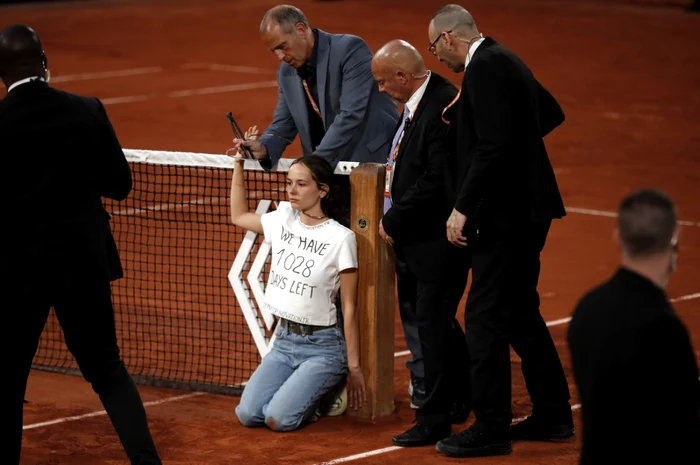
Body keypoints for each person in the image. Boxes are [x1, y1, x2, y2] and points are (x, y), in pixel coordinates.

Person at [0, 25, 162, 465]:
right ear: (44, 62)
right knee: (107, 370)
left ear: (2, 73)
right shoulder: (86, 110)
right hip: (82, 265)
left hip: (18, 274)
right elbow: (120, 185)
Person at [427, 5, 575, 457]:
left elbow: (492, 145)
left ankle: (491, 427)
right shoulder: (507, 57)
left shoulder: (484, 68)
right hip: (529, 208)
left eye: (435, 48)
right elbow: (549, 112)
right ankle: (552, 414)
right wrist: (519, 152)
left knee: (485, 316)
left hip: (506, 215)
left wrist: (463, 207)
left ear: (450, 38)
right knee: (517, 311)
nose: (437, 58)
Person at [369, 39, 471, 446]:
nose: (379, 90)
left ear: (401, 76)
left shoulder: (441, 106)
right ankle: (462, 397)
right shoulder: (420, 103)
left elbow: (435, 180)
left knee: (431, 328)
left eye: (382, 82)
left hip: (434, 242)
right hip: (420, 239)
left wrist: (393, 217)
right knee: (440, 325)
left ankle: (434, 419)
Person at [229, 149, 366, 432]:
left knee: (278, 420)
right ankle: (302, 393)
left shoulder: (341, 238)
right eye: (289, 182)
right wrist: (238, 164)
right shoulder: (282, 220)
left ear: (323, 191)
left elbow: (349, 307)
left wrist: (353, 366)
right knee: (247, 414)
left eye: (301, 184)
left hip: (322, 348)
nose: (292, 190)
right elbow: (239, 216)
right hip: (283, 342)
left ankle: (321, 394)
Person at [568, 189, 700, 465]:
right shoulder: (664, 329)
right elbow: (679, 428)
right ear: (675, 241)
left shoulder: (587, 308)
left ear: (618, 239)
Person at [231, 4, 399, 173]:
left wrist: (314, 162)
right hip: (326, 168)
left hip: (370, 163)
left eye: (282, 46)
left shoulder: (350, 50)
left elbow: (350, 115)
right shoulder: (286, 72)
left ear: (301, 30)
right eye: (274, 50)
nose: (280, 56)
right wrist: (264, 147)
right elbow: (283, 123)